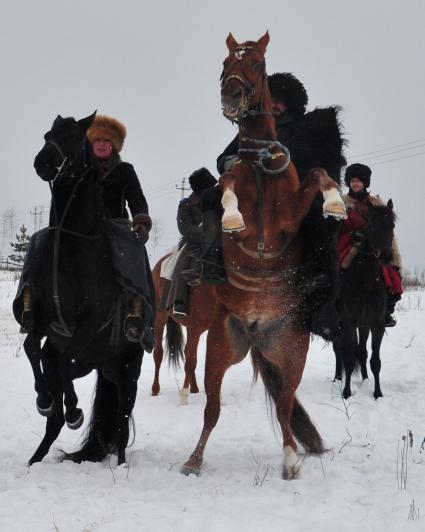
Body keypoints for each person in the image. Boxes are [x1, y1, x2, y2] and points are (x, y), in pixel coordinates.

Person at [197, 72, 346, 340]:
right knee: (210, 201)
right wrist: (234, 164)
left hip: (291, 198)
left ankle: (319, 282)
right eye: (272, 99)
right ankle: (212, 257)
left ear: (291, 103)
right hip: (252, 196)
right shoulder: (254, 127)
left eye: (280, 101)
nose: (275, 105)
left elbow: (315, 164)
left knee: (323, 225)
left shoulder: (305, 131)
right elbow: (225, 157)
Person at [17, 114, 154, 347]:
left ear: (114, 146)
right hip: (76, 230)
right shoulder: (77, 169)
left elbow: (137, 200)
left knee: (133, 250)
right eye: (97, 141)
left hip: (114, 225)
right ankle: (28, 299)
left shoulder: (124, 170)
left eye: (107, 142)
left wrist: (141, 220)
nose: (101, 144)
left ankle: (136, 309)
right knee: (37, 241)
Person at [338, 163, 403, 326]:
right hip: (349, 243)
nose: (355, 183)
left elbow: (388, 232)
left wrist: (396, 259)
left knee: (388, 272)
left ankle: (385, 311)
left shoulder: (377, 203)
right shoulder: (341, 202)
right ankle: (337, 308)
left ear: (365, 183)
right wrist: (351, 234)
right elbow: (336, 227)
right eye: (352, 180)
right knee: (340, 268)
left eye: (359, 180)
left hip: (374, 245)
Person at [172, 168, 217, 317]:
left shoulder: (216, 200)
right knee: (182, 262)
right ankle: (180, 302)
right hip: (193, 242)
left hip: (216, 239)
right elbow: (184, 227)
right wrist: (205, 235)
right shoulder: (187, 204)